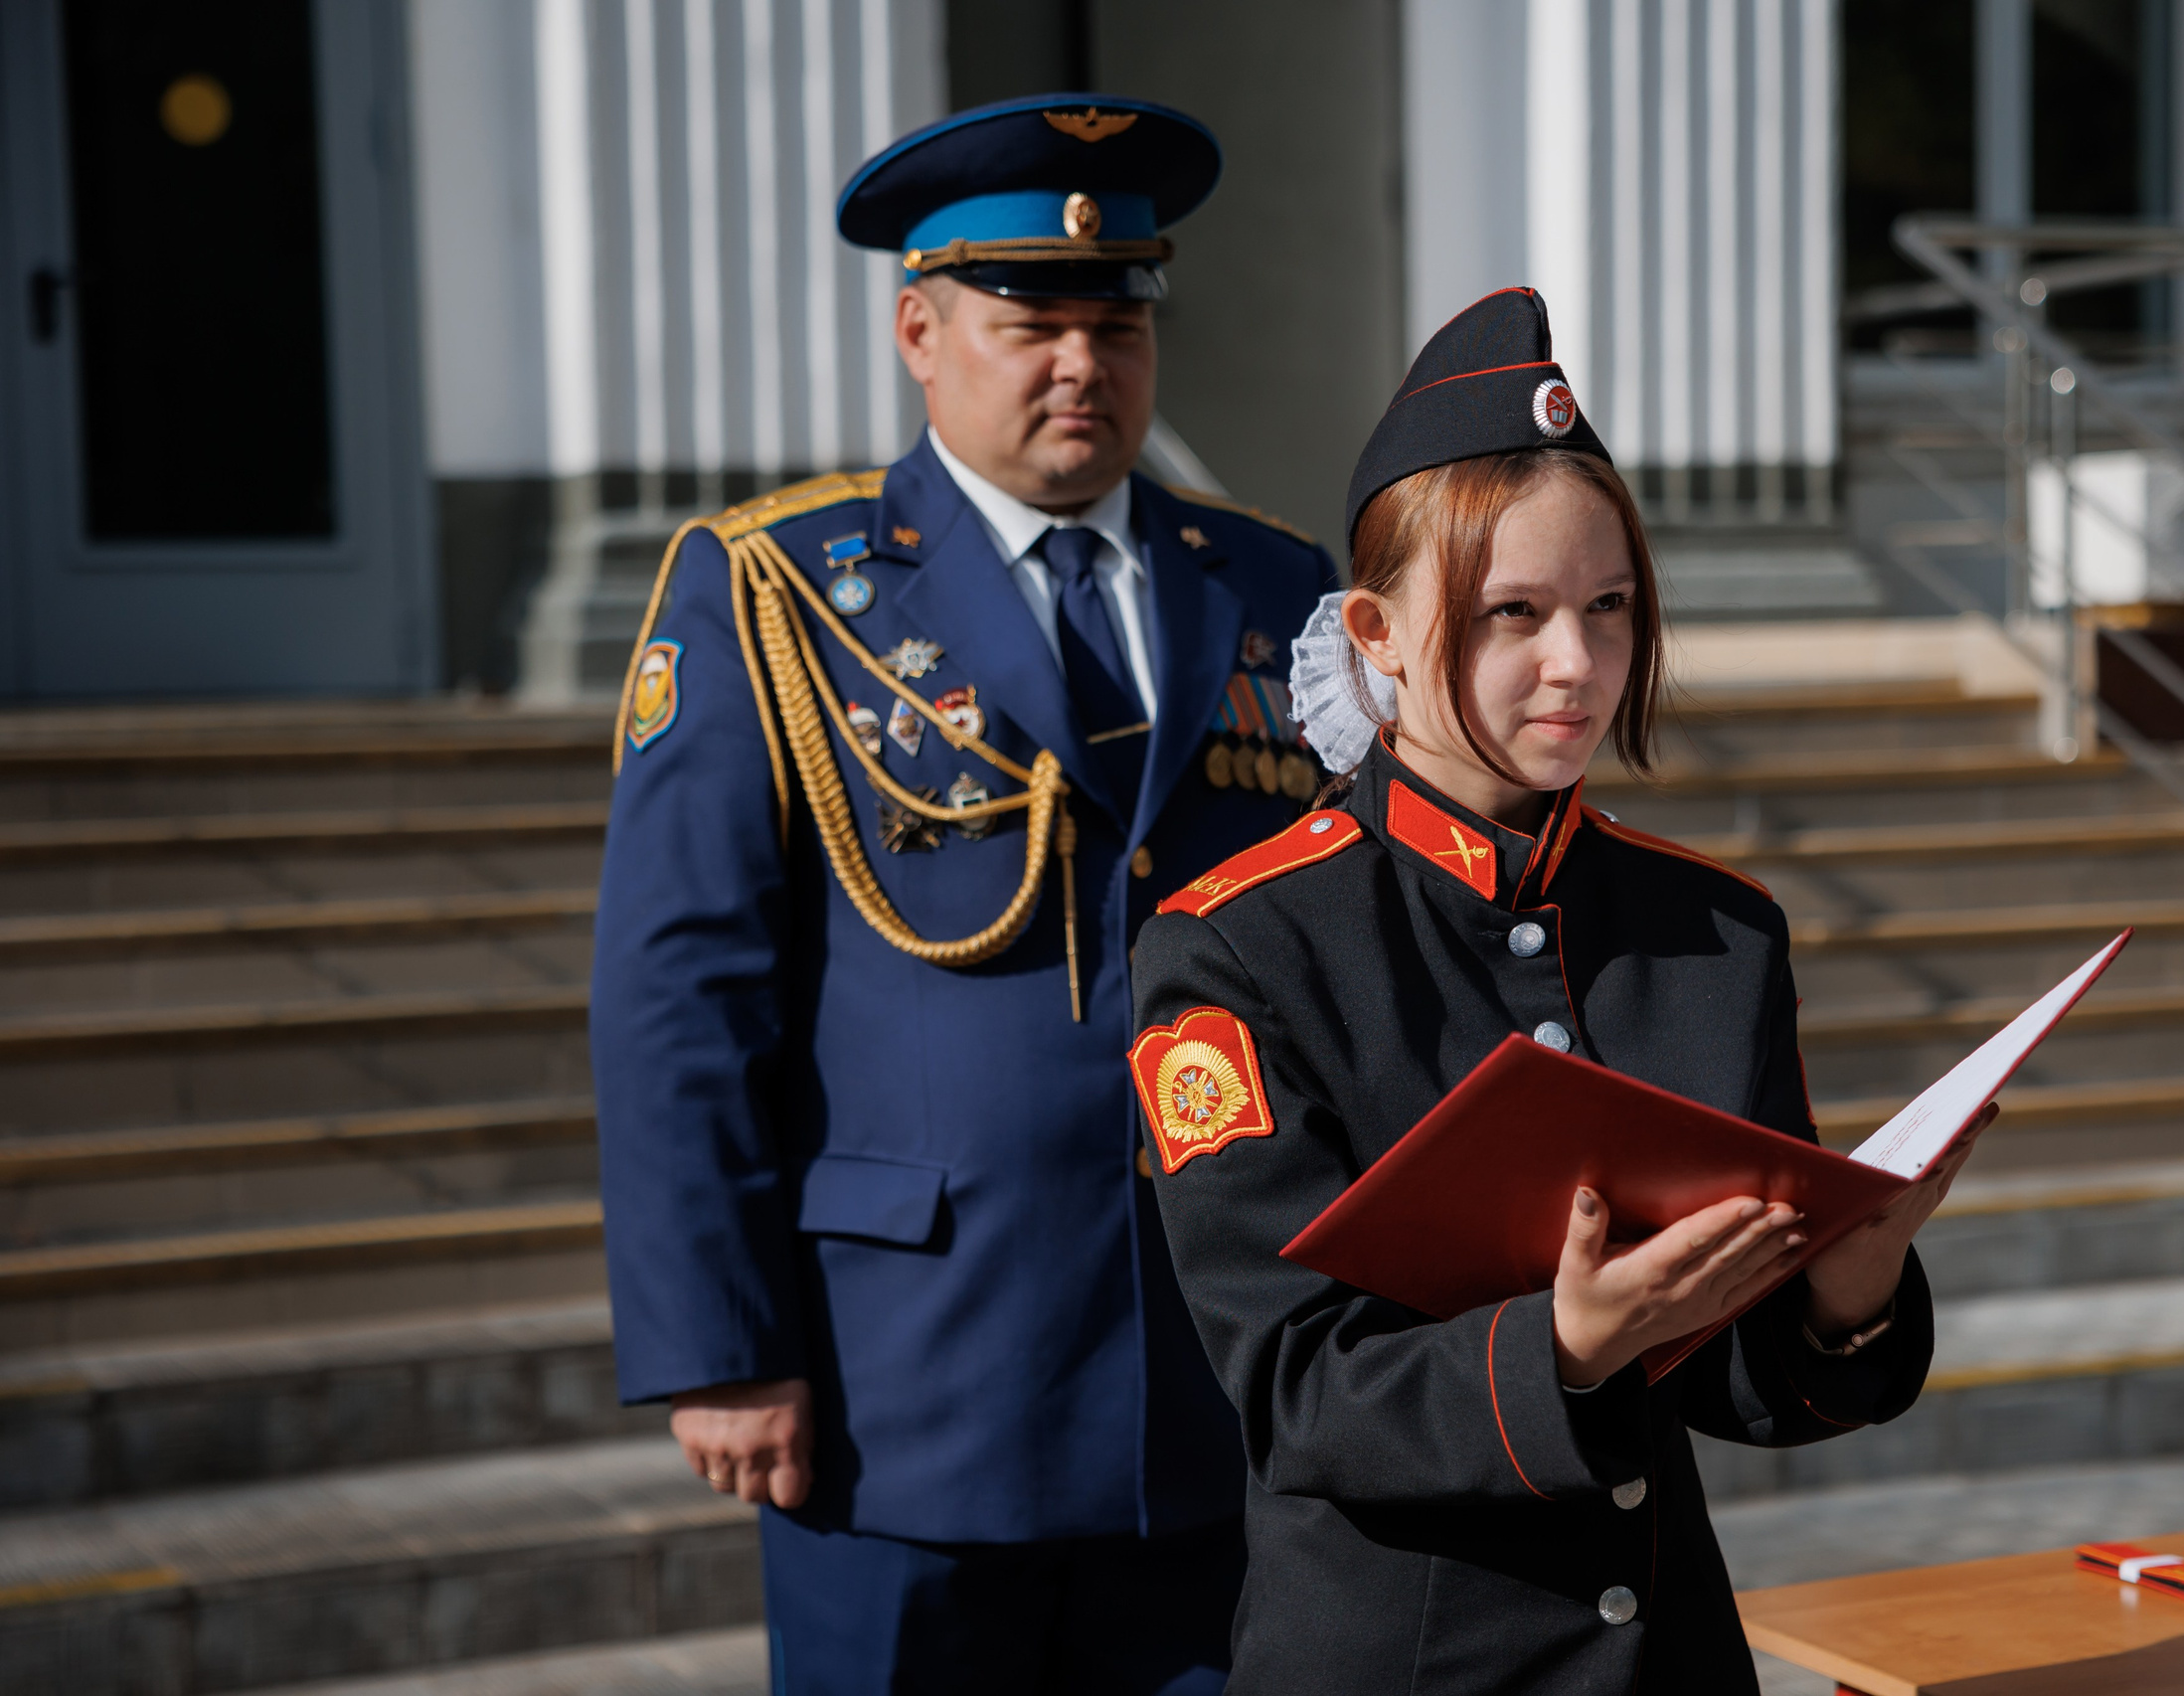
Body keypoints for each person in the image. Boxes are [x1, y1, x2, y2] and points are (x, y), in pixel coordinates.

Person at [1126, 287, 1978, 1693]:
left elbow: (1741, 1378)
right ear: (1378, 633)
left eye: (1609, 607)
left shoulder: (1715, 931)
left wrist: (1852, 1277)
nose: (1576, 666)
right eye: (1512, 613)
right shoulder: (1238, 948)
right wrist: (1563, 1350)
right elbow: (1297, 1391)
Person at [590, 93, 1336, 1696]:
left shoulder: (1277, 589)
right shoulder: (776, 592)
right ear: (921, 331)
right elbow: (679, 998)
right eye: (1032, 321)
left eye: (1118, 318)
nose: (1084, 361)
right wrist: (724, 1345)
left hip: (1217, 1373)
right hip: (903, 1390)